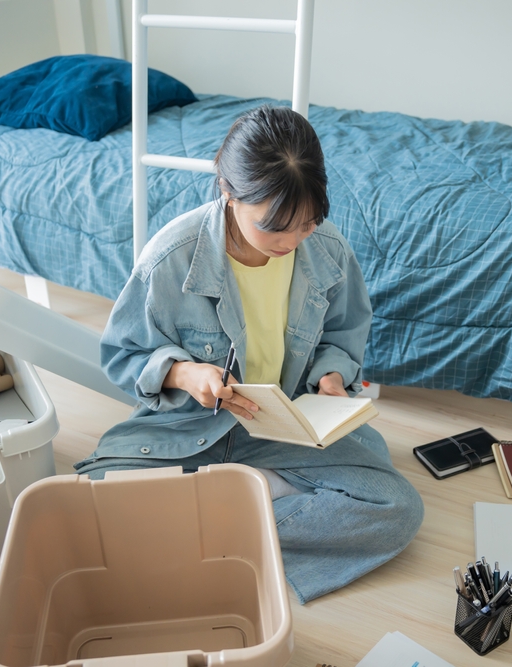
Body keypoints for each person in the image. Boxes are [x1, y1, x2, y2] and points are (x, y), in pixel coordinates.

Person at [74, 105, 423, 604]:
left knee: (397, 508)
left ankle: (220, 515)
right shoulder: (171, 259)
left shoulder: (327, 249)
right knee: (92, 498)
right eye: (272, 226)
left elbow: (344, 335)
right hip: (191, 428)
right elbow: (123, 355)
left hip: (284, 426)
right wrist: (183, 374)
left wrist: (331, 378)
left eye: (306, 224)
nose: (289, 241)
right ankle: (262, 496)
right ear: (228, 192)